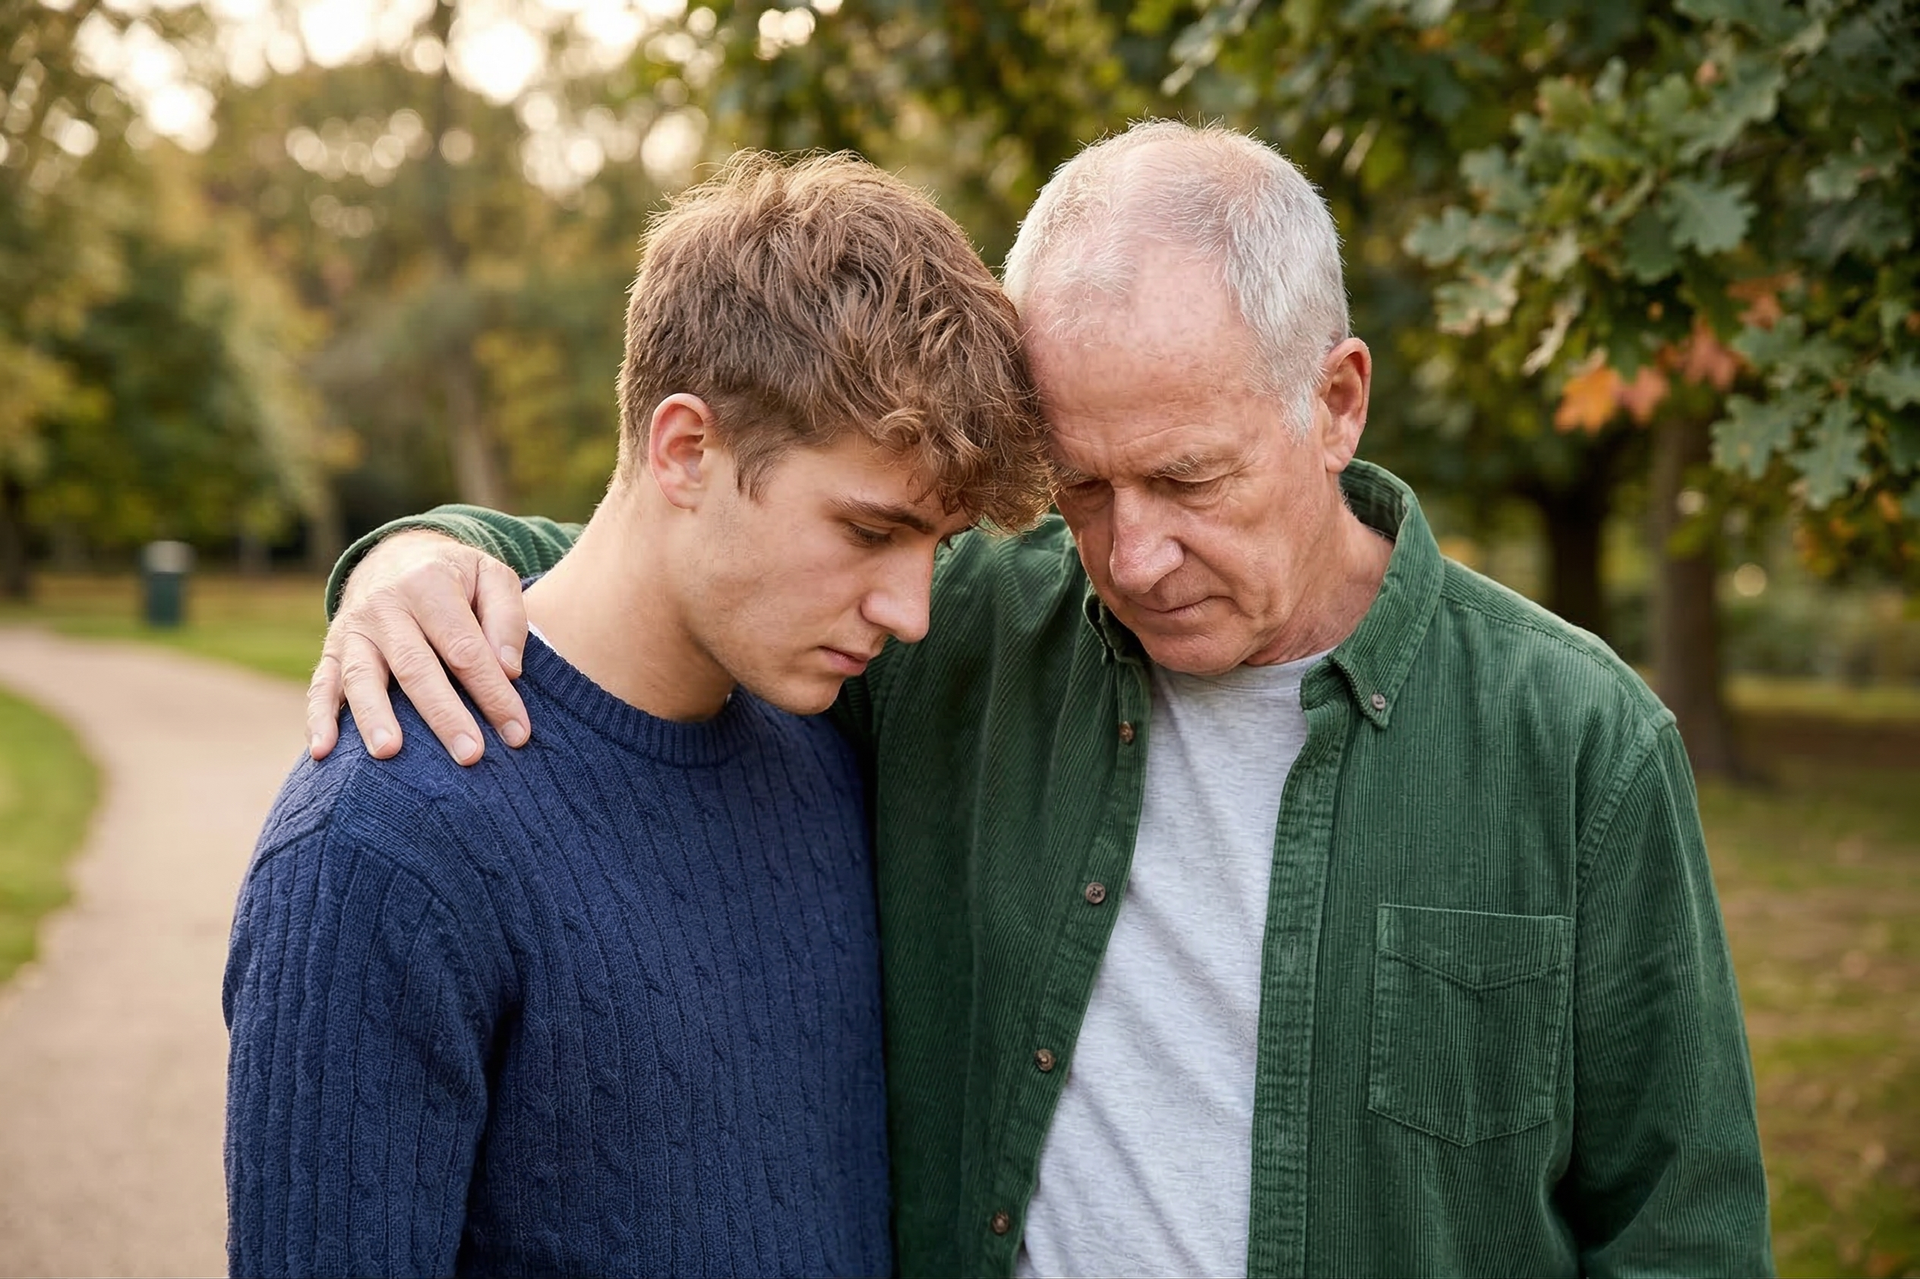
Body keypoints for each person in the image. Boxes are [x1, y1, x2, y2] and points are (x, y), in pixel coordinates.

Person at [309, 123, 1773, 1277]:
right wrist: (423, 555)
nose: (1134, 554)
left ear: (1335, 402)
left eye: (1191, 478)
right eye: (1081, 489)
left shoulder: (1580, 746)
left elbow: (1682, 1234)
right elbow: (677, 568)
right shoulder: (959, 635)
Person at [223, 151, 1052, 1277]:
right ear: (685, 450)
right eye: (868, 532)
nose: (911, 611)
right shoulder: (386, 835)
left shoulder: (821, 748)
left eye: (938, 548)